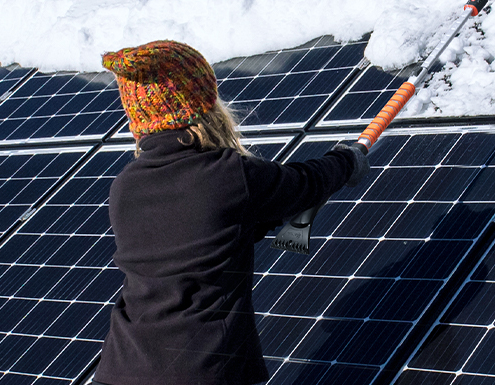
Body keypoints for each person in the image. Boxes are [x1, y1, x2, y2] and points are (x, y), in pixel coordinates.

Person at [95, 40, 367, 385]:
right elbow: (305, 184)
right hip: (202, 370)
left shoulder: (125, 186)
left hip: (120, 367)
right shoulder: (227, 174)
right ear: (201, 107)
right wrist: (346, 160)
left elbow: (192, 245)